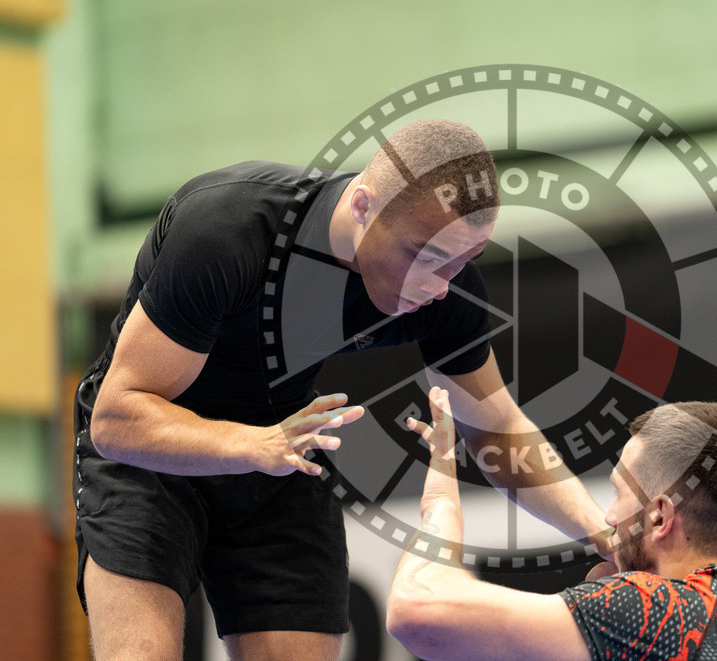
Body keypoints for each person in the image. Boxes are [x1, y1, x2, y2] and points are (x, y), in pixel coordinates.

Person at [74, 119, 611, 659]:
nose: (439, 284)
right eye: (424, 256)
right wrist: (252, 445)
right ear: (363, 206)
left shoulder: (445, 293)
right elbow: (117, 418)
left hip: (280, 456)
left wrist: (602, 530)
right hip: (153, 456)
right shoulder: (226, 230)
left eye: (462, 260)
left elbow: (497, 425)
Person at [388, 388, 717, 660]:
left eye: (618, 493)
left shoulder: (656, 609)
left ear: (659, 516)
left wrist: (441, 501)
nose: (608, 518)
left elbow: (417, 609)